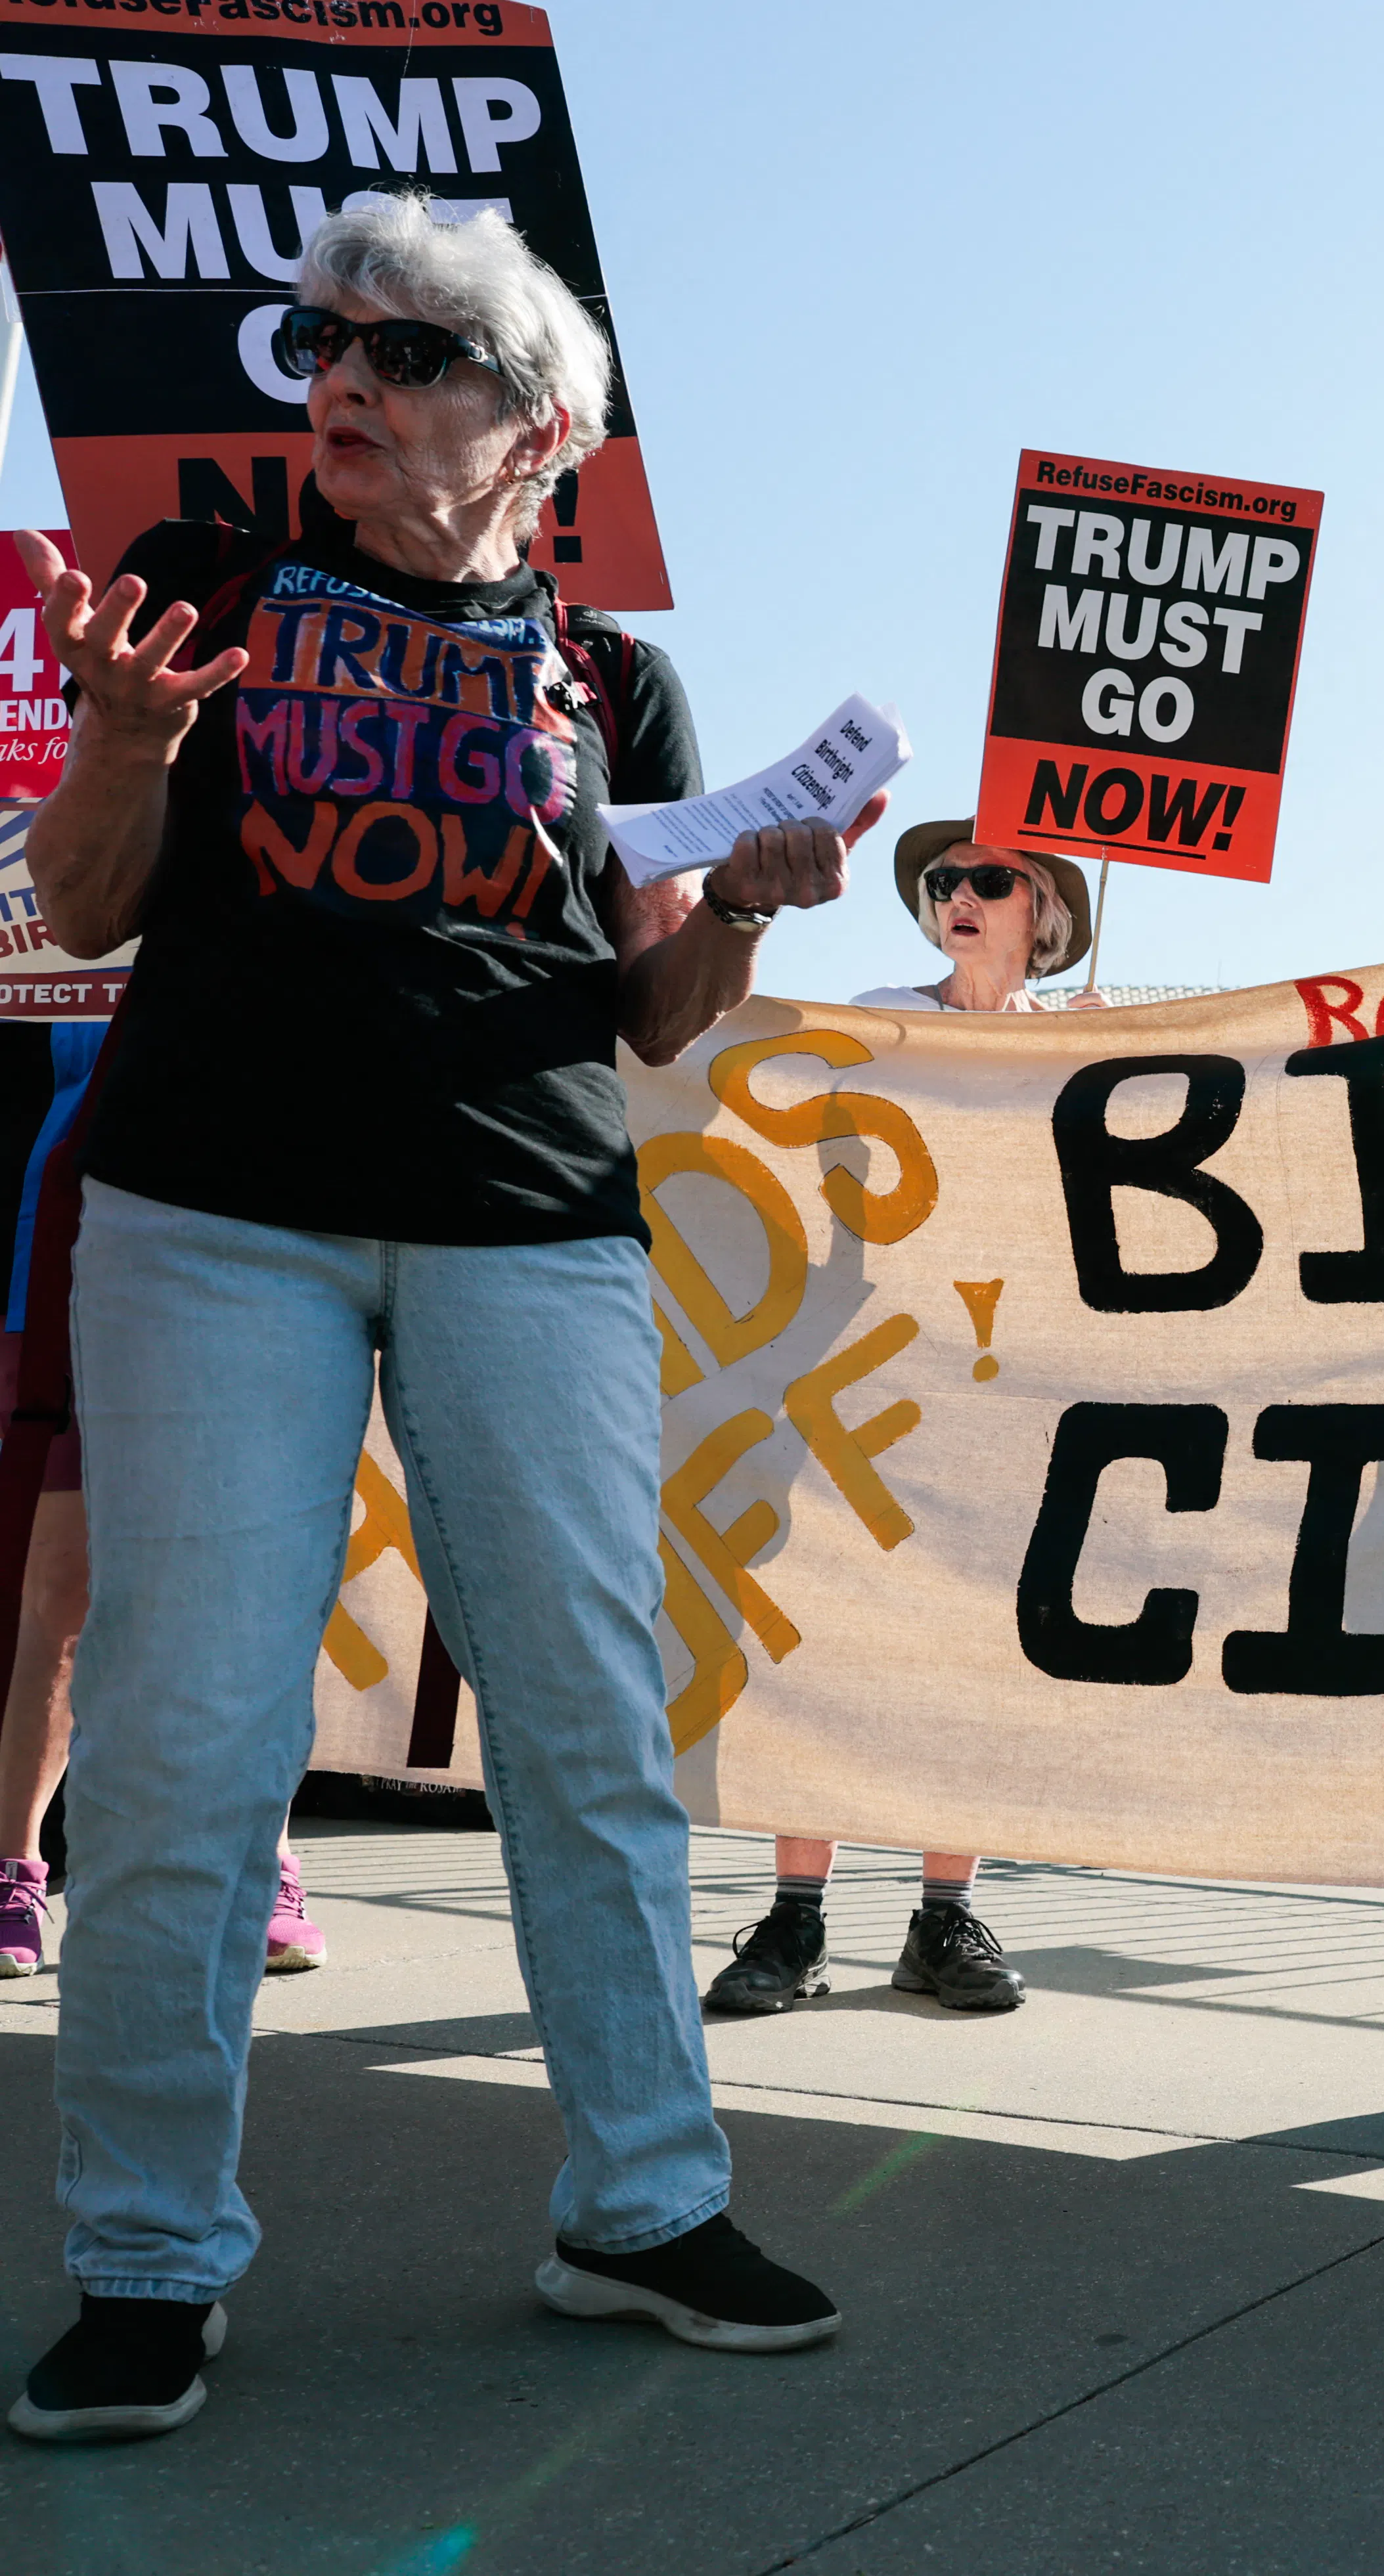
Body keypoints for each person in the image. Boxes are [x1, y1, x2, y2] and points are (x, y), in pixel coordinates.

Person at [9, 196, 857, 2445]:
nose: (347, 377)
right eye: (329, 339)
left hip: (534, 1226)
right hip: (216, 1223)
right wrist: (112, 743)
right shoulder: (199, 583)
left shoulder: (617, 678)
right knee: (190, 1742)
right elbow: (86, 903)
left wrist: (750, 913)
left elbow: (652, 1014)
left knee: (584, 1718)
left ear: (541, 429)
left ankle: (643, 2205)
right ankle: (145, 2259)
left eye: (416, 349)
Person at [705, 824, 1102, 2020]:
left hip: (1000, 1382)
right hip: (855, 1364)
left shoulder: (1088, 1044)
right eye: (944, 883)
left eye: (990, 880)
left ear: (1046, 913)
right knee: (817, 1628)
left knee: (967, 1646)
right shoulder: (877, 1010)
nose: (959, 898)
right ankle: (794, 1917)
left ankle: (944, 1915)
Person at [0, 1024, 328, 1983]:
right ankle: (16, 1866)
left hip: (253, 1256)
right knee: (62, 1587)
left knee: (248, 1581)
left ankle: (259, 1855)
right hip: (51, 1249)